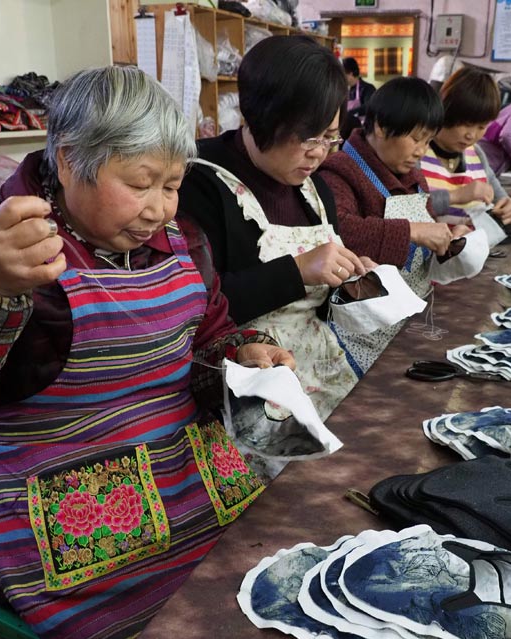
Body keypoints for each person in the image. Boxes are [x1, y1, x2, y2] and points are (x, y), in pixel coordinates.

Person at [0, 65, 294, 639]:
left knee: (273, 598)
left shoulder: (181, 239)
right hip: (79, 532)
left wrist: (243, 353)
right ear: (70, 161)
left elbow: (208, 335)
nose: (159, 209)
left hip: (194, 487)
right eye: (141, 182)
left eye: (172, 185)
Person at [176, 36, 373, 421]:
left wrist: (351, 283)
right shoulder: (198, 182)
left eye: (330, 136)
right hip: (250, 385)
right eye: (307, 137)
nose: (319, 152)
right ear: (259, 115)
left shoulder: (315, 190)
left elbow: (322, 304)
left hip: (321, 368)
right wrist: (297, 271)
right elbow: (194, 310)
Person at [318, 76, 455, 297]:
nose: (421, 151)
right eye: (416, 138)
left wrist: (448, 237)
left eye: (428, 141)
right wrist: (412, 231)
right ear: (381, 127)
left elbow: (429, 229)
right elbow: (339, 231)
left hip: (415, 301)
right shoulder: (338, 170)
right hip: (366, 315)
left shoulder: (415, 178)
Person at [422, 68, 511, 231]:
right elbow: (398, 210)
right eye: (466, 124)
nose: (472, 135)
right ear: (446, 111)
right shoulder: (418, 151)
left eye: (482, 126)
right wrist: (456, 196)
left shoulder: (476, 154)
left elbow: (501, 203)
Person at [340, 56, 376, 139]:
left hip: (362, 132)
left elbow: (369, 107)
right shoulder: (345, 90)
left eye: (343, 74)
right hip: (345, 132)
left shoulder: (367, 88)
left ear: (350, 73)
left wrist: (348, 113)